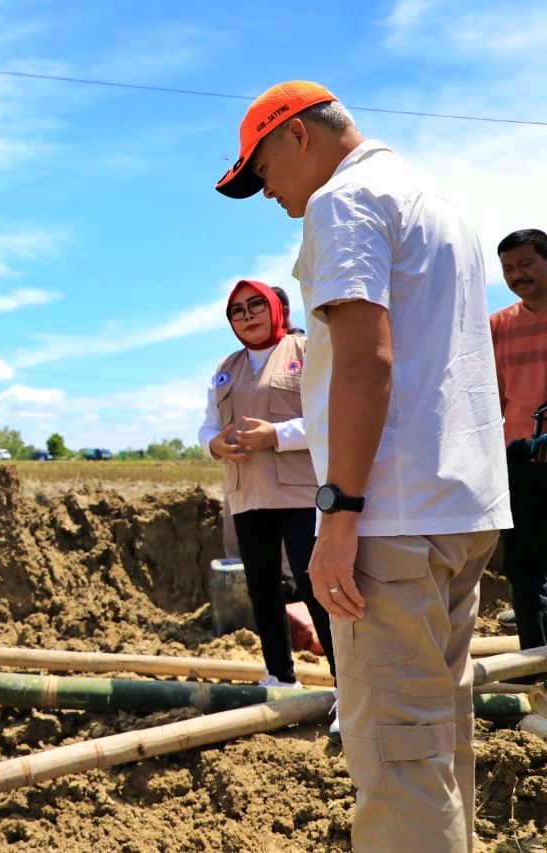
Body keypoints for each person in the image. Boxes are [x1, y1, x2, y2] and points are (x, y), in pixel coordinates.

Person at [215, 81, 511, 852]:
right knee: (438, 735)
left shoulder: (341, 203)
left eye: (262, 172)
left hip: (390, 516)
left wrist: (340, 512)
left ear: (298, 137)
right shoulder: (438, 203)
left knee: (394, 755)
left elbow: (365, 357)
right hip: (460, 507)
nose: (270, 195)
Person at [199, 280, 334, 687]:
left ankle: (346, 685)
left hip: (300, 490)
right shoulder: (226, 367)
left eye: (256, 305)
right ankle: (279, 675)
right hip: (247, 493)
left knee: (315, 586)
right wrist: (214, 444)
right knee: (261, 587)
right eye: (237, 311)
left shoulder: (308, 351)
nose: (248, 315)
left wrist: (276, 435)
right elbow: (208, 425)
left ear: (276, 308)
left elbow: (329, 416)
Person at [490, 229, 547, 657]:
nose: (516, 275)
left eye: (525, 264)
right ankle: (533, 665)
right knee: (524, 567)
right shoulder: (497, 327)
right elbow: (491, 397)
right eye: (508, 269)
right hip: (520, 459)